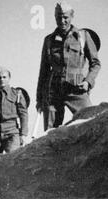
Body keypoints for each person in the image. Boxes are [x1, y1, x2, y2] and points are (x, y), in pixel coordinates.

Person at [36, 1, 101, 130]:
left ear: (72, 16)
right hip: (53, 91)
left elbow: (95, 63)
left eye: (65, 17)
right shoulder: (49, 40)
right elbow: (43, 71)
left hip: (76, 89)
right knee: (50, 133)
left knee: (90, 123)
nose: (62, 21)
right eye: (58, 17)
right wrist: (39, 98)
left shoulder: (83, 36)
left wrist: (88, 81)